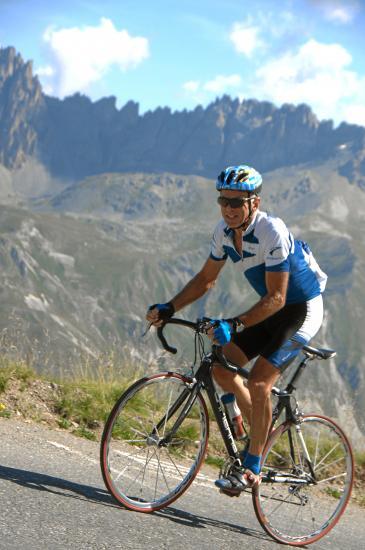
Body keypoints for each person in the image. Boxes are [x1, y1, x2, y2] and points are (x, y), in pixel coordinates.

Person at [146, 164, 327, 494]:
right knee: (220, 365)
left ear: (253, 203)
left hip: (302, 308)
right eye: (223, 201)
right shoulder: (224, 232)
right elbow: (205, 279)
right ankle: (251, 430)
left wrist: (234, 323)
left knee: (259, 382)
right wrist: (170, 307)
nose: (228, 209)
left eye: (236, 202)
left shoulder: (271, 230)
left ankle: (252, 467)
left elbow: (277, 297)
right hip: (273, 309)